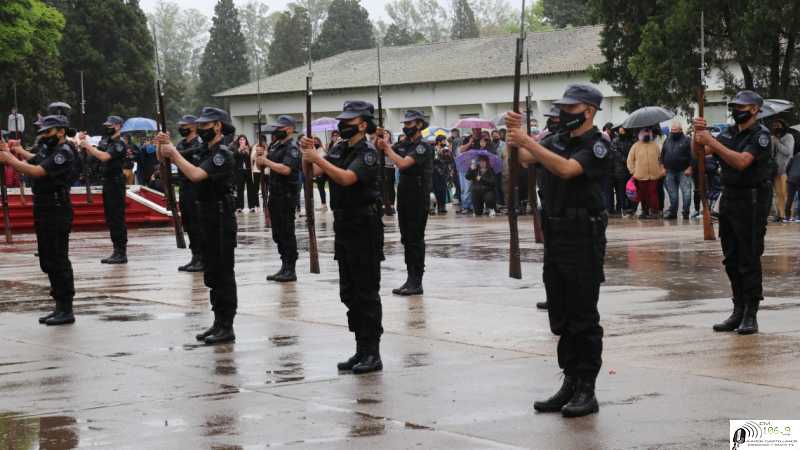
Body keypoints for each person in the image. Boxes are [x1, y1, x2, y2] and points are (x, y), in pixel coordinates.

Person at [506, 84, 610, 418]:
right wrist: (513, 134)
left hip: (583, 235)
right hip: (555, 233)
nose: (564, 113)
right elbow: (523, 158)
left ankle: (586, 388)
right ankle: (569, 380)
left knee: (583, 315)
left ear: (589, 111)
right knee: (561, 315)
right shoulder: (556, 140)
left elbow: (566, 170)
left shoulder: (597, 145)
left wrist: (528, 142)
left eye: (571, 107)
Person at [299, 100, 384, 374]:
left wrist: (318, 158)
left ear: (362, 124)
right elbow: (313, 172)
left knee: (366, 290)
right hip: (345, 225)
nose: (343, 125)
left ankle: (373, 352)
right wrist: (307, 154)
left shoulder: (367, 152)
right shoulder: (339, 148)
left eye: (349, 121)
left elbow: (347, 178)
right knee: (348, 291)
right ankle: (360, 348)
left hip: (364, 225)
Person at [155, 107, 238, 344]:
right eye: (199, 125)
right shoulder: (204, 149)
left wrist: (174, 153)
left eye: (206, 125)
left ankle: (227, 326)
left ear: (218, 126)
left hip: (221, 218)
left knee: (223, 273)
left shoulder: (223, 153)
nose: (201, 130)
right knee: (212, 273)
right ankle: (217, 322)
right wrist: (164, 147)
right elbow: (169, 159)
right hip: (207, 216)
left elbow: (195, 174)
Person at [694, 90, 773, 335]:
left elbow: (741, 162)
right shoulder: (729, 132)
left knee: (749, 257)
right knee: (731, 257)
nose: (736, 109)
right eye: (735, 105)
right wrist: (697, 135)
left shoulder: (760, 136)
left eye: (742, 106)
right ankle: (737, 309)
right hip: (730, 197)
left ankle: (751, 313)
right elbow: (699, 153)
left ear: (755, 109)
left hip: (752, 199)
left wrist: (712, 143)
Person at [0, 115, 77, 325]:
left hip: (57, 207)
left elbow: (37, 171)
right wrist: (11, 152)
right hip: (43, 206)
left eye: (47, 131)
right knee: (47, 258)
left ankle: (66, 308)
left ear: (61, 131)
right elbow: (33, 158)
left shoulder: (64, 152)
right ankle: (58, 305)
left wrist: (10, 160)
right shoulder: (48, 148)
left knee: (58, 257)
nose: (43, 135)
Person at [376, 110, 434, 296]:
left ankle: (417, 281)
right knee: (406, 238)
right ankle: (410, 278)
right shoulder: (404, 144)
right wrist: (378, 141)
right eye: (405, 124)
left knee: (415, 239)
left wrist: (386, 148)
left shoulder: (422, 147)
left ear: (418, 124)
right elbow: (387, 152)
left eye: (409, 124)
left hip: (418, 196)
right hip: (404, 195)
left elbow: (402, 163)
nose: (405, 127)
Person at [255, 115, 301, 283]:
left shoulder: (292, 148)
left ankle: (291, 268)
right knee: (278, 233)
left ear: (289, 129)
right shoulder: (275, 145)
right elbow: (263, 166)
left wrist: (266, 161)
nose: (276, 131)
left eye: (280, 128)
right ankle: (284, 265)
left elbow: (286, 169)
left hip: (286, 195)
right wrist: (260, 157)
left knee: (287, 232)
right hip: (274, 193)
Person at [79, 116, 128, 264]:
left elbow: (104, 156)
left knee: (117, 218)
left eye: (110, 125)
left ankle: (121, 252)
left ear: (118, 126)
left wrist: (88, 146)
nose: (107, 127)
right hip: (106, 182)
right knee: (110, 218)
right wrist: (83, 145)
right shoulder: (105, 141)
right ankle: (116, 250)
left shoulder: (119, 144)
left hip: (116, 182)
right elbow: (95, 157)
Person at [175, 115, 205, 272]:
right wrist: (161, 145)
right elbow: (165, 158)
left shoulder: (200, 143)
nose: (181, 128)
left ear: (193, 126)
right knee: (188, 224)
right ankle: (195, 256)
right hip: (184, 187)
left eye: (184, 125)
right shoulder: (180, 143)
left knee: (197, 223)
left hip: (197, 188)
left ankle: (202, 258)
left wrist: (173, 153)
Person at [626, 127, 664, 219]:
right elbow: (630, 160)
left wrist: (660, 170)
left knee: (653, 193)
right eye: (644, 134)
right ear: (640, 135)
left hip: (654, 175)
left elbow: (660, 159)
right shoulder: (636, 146)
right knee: (642, 194)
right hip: (640, 175)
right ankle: (645, 211)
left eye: (648, 134)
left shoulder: (655, 145)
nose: (646, 135)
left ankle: (655, 211)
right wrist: (633, 171)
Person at [661, 121, 693, 219]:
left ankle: (686, 212)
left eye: (675, 130)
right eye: (672, 130)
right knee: (672, 195)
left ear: (681, 130)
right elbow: (662, 155)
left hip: (684, 171)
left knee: (686, 193)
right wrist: (662, 167)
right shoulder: (667, 140)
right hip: (669, 171)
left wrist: (690, 168)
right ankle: (673, 212)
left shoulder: (688, 140)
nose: (673, 132)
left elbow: (693, 156)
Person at [770, 119, 794, 222]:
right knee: (778, 193)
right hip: (775, 170)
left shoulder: (789, 137)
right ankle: (780, 215)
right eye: (774, 125)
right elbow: (771, 153)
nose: (776, 127)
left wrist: (777, 143)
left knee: (785, 193)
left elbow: (788, 152)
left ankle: (789, 215)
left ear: (783, 126)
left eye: (778, 125)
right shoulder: (773, 138)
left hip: (786, 169)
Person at [233, 135, 253, 213]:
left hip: (248, 170)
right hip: (239, 171)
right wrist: (239, 150)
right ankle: (239, 207)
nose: (241, 141)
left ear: (246, 141)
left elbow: (252, 159)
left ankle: (252, 206)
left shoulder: (249, 148)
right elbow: (233, 156)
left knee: (250, 189)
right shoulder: (236, 148)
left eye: (243, 139)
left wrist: (248, 152)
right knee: (240, 189)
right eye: (240, 140)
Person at [432, 135, 451, 214]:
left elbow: (449, 160)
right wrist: (437, 153)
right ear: (439, 141)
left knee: (443, 189)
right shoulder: (433, 148)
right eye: (443, 140)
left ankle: (442, 206)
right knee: (435, 189)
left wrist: (446, 153)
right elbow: (432, 160)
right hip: (434, 172)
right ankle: (433, 206)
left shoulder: (446, 149)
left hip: (443, 172)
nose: (445, 142)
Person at [312, 136, 329, 213]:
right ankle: (323, 204)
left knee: (321, 188)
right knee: (320, 188)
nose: (315, 143)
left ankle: (324, 205)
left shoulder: (322, 150)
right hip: (316, 172)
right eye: (314, 141)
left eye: (316, 141)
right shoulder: (314, 150)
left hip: (322, 172)